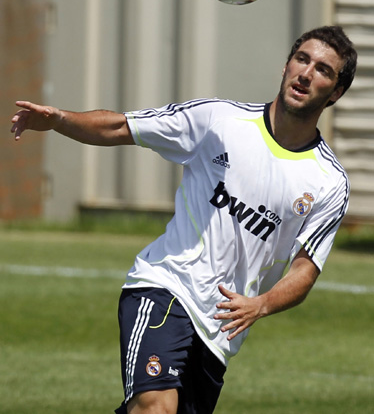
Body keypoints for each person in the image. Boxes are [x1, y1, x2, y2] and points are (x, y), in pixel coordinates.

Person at [11, 25, 357, 414]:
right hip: (165, 286)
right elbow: (123, 126)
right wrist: (59, 119)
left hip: (219, 331)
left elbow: (305, 270)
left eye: (324, 70)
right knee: (157, 407)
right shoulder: (219, 121)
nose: (307, 73)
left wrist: (260, 304)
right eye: (302, 59)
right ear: (286, 65)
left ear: (336, 92)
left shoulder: (328, 181)